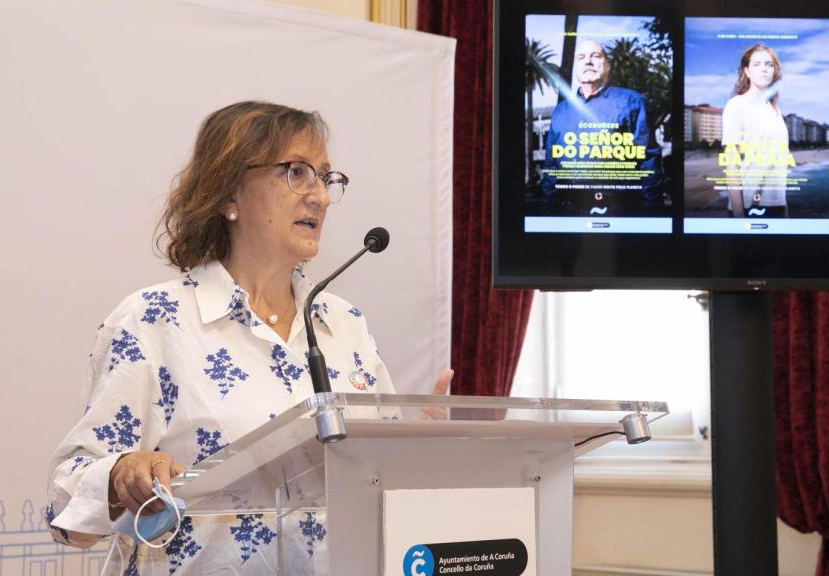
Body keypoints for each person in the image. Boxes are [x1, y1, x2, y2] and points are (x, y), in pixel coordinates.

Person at [45, 101, 453, 574]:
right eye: (296, 172)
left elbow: (377, 485)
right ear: (228, 196)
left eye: (325, 177)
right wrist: (120, 475)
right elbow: (65, 504)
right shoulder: (155, 321)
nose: (319, 195)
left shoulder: (344, 325)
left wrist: (424, 448)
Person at [540, 39, 665, 215]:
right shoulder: (560, 111)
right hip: (571, 212)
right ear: (576, 66)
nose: (588, 61)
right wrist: (547, 213)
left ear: (607, 65)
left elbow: (648, 162)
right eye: (581, 57)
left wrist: (652, 213)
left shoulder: (631, 101)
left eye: (595, 56)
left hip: (621, 211)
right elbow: (551, 168)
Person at [720, 44, 791, 218]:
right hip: (749, 207)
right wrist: (739, 217)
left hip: (777, 207)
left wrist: (785, 211)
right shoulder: (736, 105)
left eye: (769, 65)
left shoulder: (774, 110)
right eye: (757, 64)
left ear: (774, 72)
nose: (764, 69)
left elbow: (778, 164)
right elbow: (731, 164)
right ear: (747, 71)